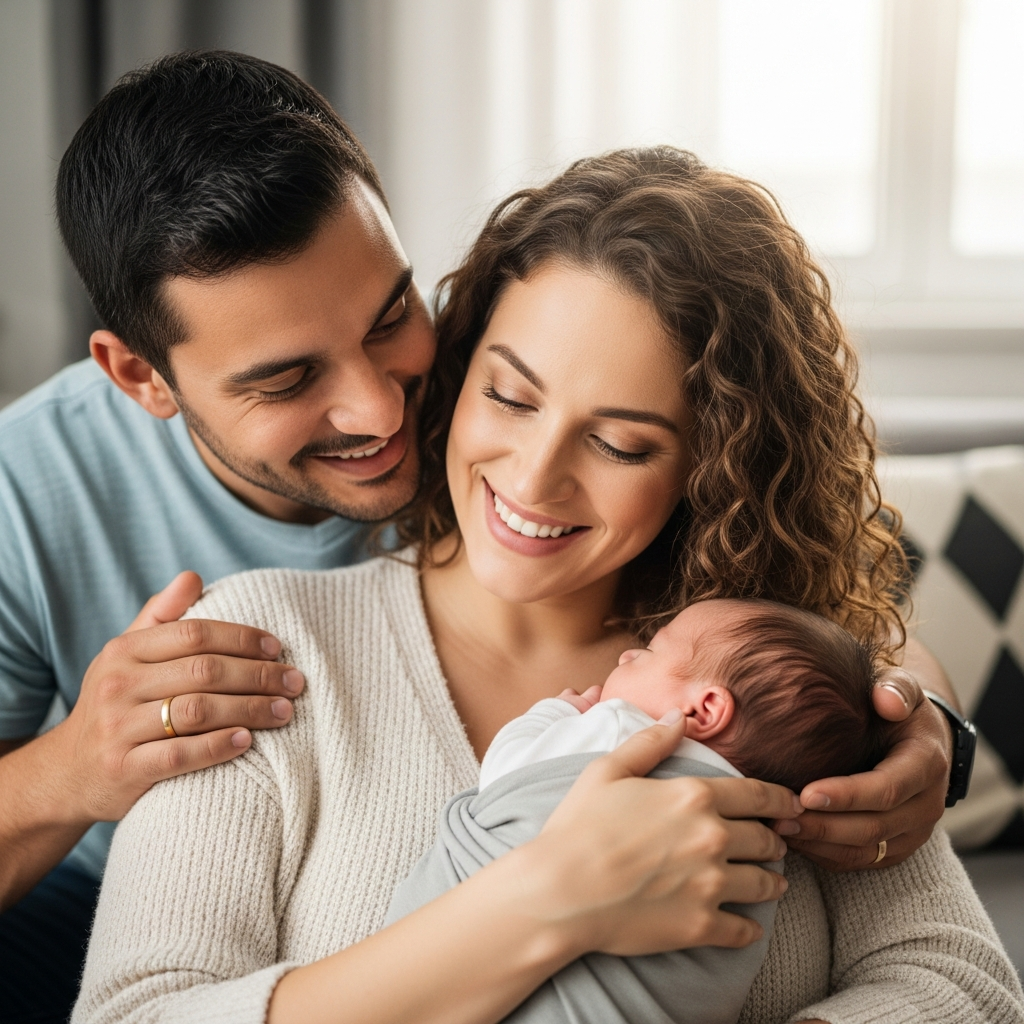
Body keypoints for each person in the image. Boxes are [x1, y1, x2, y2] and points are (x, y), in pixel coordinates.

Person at [74, 148, 1023, 1024]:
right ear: (453, 367)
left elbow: (959, 987)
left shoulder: (771, 698)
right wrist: (545, 899)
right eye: (511, 396)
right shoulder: (262, 646)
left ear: (713, 462)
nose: (530, 480)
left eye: (620, 443)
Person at [382, 599, 893, 1024]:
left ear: (703, 711)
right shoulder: (757, 830)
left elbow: (508, 774)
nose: (627, 656)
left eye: (649, 653)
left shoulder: (619, 727)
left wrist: (555, 713)